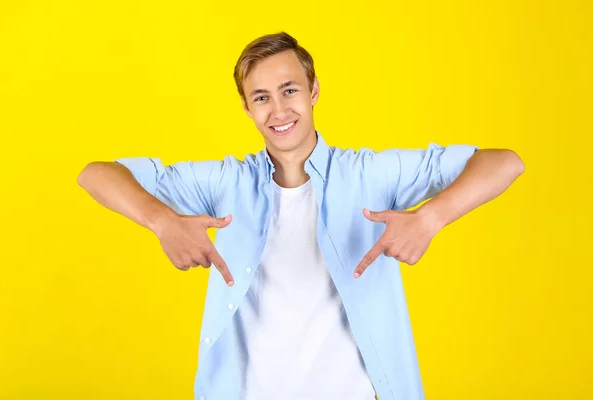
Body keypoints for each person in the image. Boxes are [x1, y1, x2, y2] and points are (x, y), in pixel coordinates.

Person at [78, 31, 525, 400]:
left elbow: (505, 163)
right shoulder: (225, 183)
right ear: (248, 109)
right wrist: (162, 220)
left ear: (313, 90)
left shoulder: (369, 175)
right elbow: (96, 174)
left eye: (289, 90)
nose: (278, 110)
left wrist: (431, 218)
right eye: (261, 98)